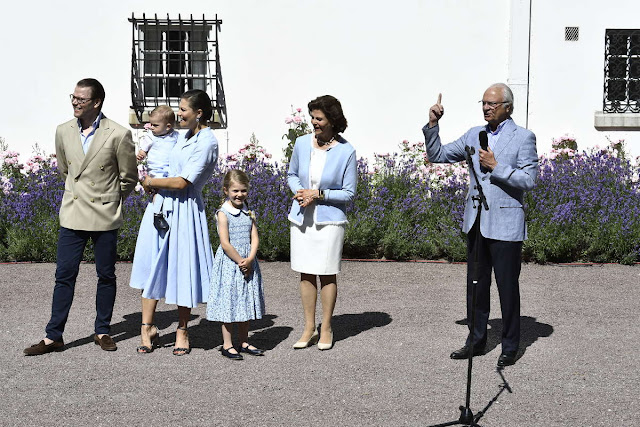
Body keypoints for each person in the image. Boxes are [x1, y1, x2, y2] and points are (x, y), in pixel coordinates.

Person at [423, 83, 538, 367]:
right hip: (476, 221)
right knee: (475, 286)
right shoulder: (473, 134)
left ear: (507, 108)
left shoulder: (523, 137)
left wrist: (497, 167)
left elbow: (529, 180)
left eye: (492, 104)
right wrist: (433, 124)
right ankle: (476, 341)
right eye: (483, 103)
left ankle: (510, 346)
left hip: (506, 224)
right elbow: (437, 155)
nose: (486, 108)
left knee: (507, 287)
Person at [24, 78, 137, 356]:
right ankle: (53, 336)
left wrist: (110, 200)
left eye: (81, 99)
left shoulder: (118, 133)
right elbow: (65, 169)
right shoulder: (63, 131)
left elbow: (128, 178)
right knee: (64, 275)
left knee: (106, 275)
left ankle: (103, 331)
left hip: (104, 214)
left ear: (96, 102)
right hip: (73, 213)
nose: (75, 102)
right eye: (73, 97)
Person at [129, 89, 218, 356]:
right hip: (160, 205)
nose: (179, 114)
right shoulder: (182, 136)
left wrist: (150, 181)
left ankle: (182, 330)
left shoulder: (207, 141)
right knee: (152, 264)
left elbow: (182, 182)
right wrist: (152, 179)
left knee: (182, 267)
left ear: (198, 113)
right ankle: (147, 328)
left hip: (185, 208)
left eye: (183, 110)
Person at [287, 95, 357, 351]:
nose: (314, 122)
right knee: (305, 272)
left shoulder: (347, 151)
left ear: (332, 120)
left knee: (327, 274)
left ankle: (326, 327)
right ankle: (309, 327)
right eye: (312, 118)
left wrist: (318, 194)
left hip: (329, 222)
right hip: (301, 217)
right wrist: (300, 192)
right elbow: (292, 175)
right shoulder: (301, 143)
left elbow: (349, 193)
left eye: (319, 118)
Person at [206, 170, 265, 360]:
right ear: (226, 191)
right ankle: (227, 344)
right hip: (231, 264)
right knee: (230, 302)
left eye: (243, 190)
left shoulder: (248, 211)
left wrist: (250, 258)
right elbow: (225, 243)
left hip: (248, 262)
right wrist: (241, 261)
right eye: (235, 191)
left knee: (245, 301)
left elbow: (254, 237)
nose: (239, 194)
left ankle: (244, 341)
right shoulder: (223, 214)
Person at [136, 105, 179, 178]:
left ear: (168, 127)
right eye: (151, 124)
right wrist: (141, 154)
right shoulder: (150, 136)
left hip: (171, 170)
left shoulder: (175, 136)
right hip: (154, 170)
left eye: (155, 125)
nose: (151, 127)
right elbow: (143, 150)